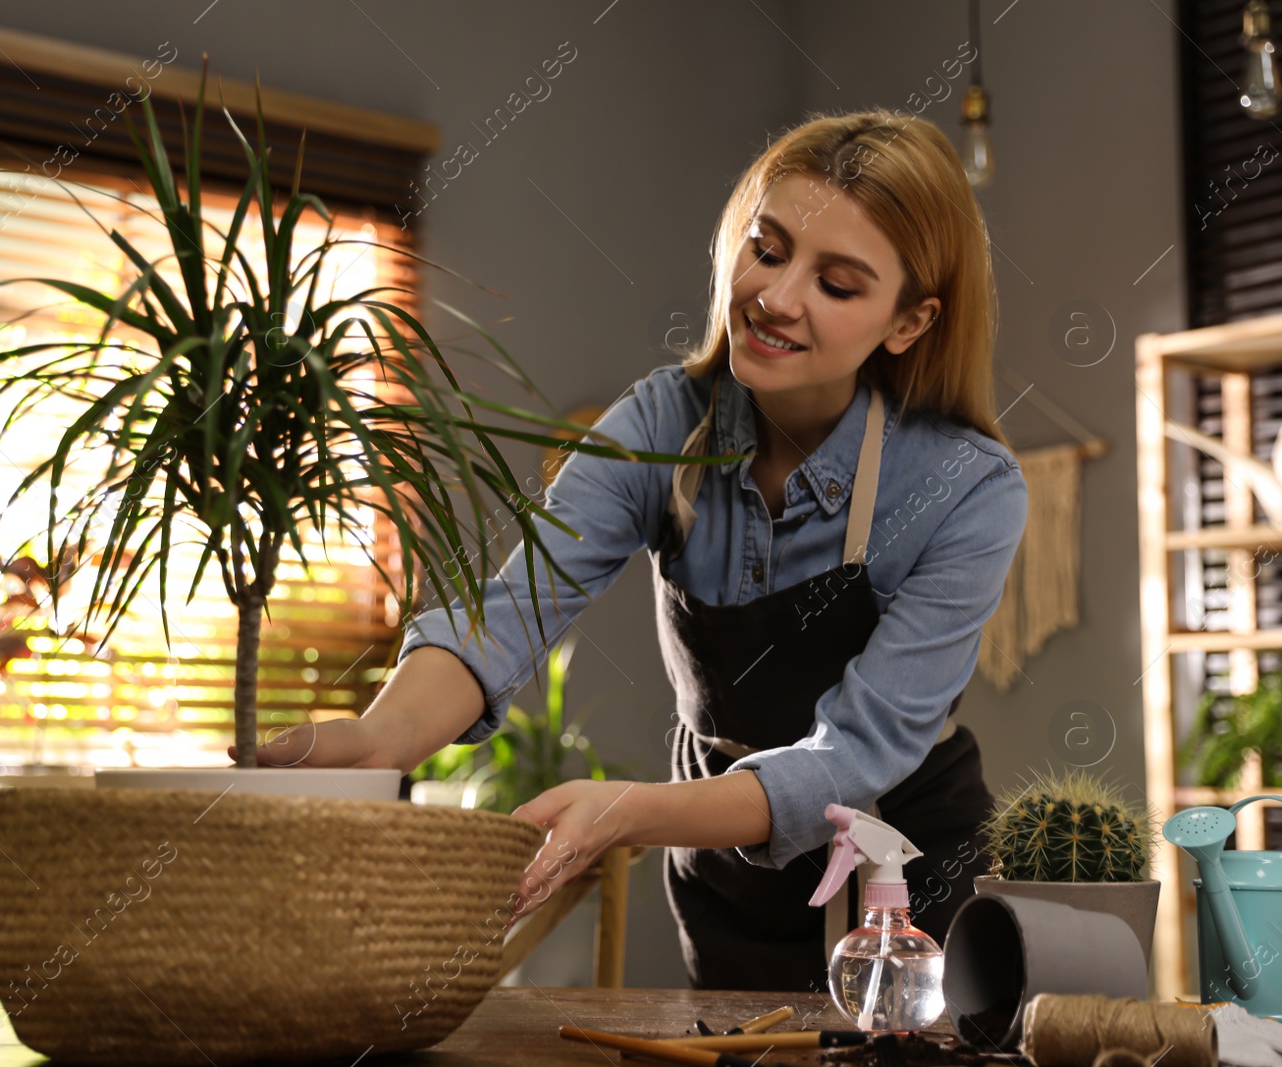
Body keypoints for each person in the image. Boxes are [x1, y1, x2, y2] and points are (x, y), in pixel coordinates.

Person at [234, 109, 1029, 993]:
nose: (777, 295)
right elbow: (513, 609)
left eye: (837, 284)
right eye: (767, 248)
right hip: (726, 873)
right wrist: (382, 738)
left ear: (909, 322)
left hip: (911, 877)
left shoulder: (964, 487)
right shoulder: (660, 425)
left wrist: (632, 813)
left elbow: (857, 751)